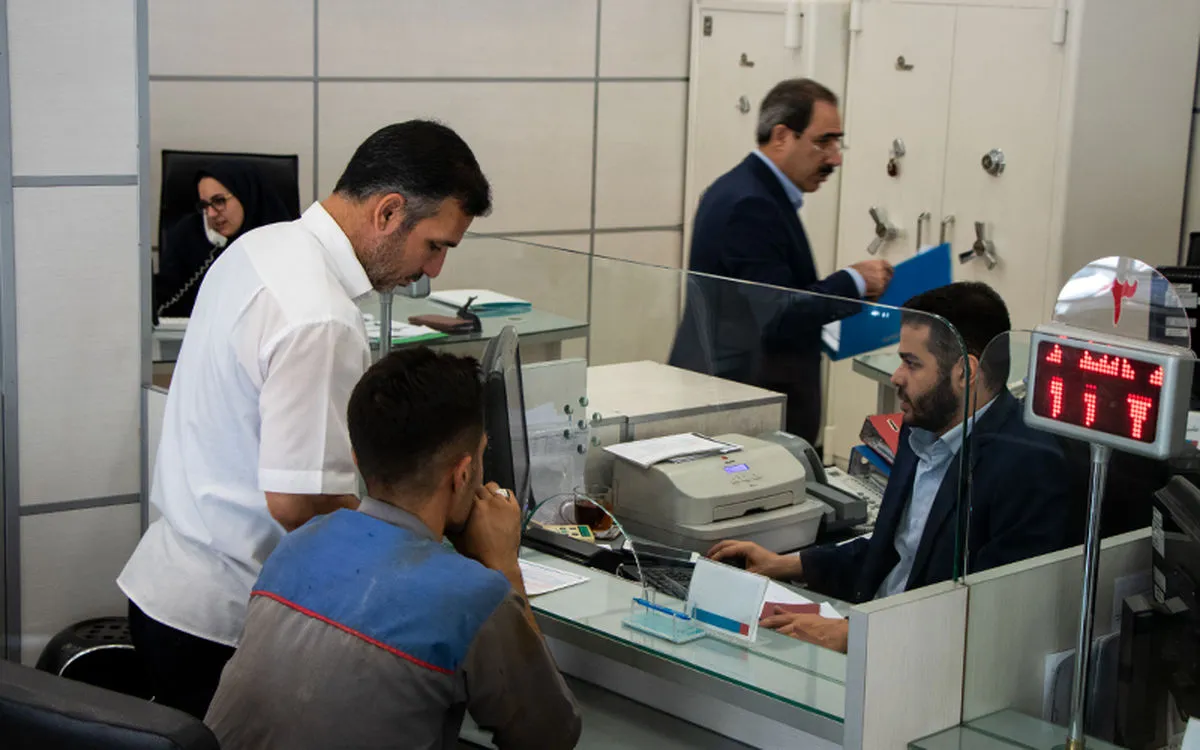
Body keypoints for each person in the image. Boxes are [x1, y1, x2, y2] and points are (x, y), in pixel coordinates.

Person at [118, 120, 492, 718]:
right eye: (435, 245)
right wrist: (425, 549)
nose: (435, 271)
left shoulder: (261, 246)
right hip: (226, 616)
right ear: (389, 212)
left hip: (170, 583)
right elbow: (300, 503)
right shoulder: (320, 316)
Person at [204, 348, 581, 749]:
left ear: (357, 459)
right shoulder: (473, 598)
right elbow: (551, 736)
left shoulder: (295, 547)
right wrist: (503, 566)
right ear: (462, 474)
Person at [708, 282, 1071, 653]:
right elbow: (892, 548)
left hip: (914, 657)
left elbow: (991, 619)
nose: (896, 376)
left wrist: (852, 637)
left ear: (965, 372)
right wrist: (789, 564)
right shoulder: (923, 430)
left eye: (912, 363)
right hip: (869, 628)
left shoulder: (1027, 466)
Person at [669, 78, 895, 446]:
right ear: (781, 136)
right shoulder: (750, 204)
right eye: (823, 142)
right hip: (743, 409)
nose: (835, 158)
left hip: (741, 398)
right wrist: (853, 281)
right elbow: (777, 314)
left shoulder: (745, 189)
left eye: (838, 143)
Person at [153, 160, 295, 319]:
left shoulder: (282, 242)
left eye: (219, 201)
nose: (211, 214)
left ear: (245, 196)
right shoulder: (188, 235)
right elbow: (165, 300)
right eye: (205, 205)